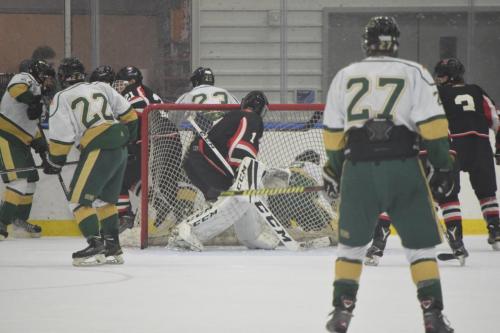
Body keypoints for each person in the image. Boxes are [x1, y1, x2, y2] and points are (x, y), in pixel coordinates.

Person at [322, 16, 454, 333]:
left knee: (350, 249)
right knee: (420, 249)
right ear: (395, 41)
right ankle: (432, 313)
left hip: (359, 168)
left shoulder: (345, 76)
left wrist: (335, 168)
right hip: (403, 165)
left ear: (366, 42)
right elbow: (434, 126)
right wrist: (443, 165)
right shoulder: (415, 73)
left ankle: (342, 309)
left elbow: (332, 132)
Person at [43, 57, 138, 266]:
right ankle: (113, 247)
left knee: (77, 200)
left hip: (99, 146)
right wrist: (126, 142)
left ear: (62, 77)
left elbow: (61, 137)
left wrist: (55, 162)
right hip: (119, 146)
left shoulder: (61, 97)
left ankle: (95, 245)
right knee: (105, 201)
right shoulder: (101, 87)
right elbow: (130, 116)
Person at [167, 91, 280, 251]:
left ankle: (253, 236)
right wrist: (240, 169)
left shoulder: (234, 116)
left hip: (196, 160)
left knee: (238, 194)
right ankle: (187, 230)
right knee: (241, 195)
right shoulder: (252, 118)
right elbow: (241, 146)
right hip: (206, 158)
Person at [434, 57, 500, 251]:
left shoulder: (439, 93)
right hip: (480, 144)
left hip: (453, 145)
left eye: (442, 75)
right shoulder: (477, 91)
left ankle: (456, 235)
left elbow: (432, 121)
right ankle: (496, 230)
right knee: (487, 191)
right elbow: (496, 119)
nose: (438, 79)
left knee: (448, 191)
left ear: (451, 76)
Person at [0, 60, 55, 240]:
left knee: (30, 181)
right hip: (6, 137)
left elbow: (32, 125)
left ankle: (19, 221)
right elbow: (16, 90)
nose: (48, 80)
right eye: (46, 76)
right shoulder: (25, 78)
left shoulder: (38, 93)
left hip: (21, 141)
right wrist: (33, 101)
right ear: (37, 73)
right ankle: (2, 222)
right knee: (19, 182)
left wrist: (44, 153)